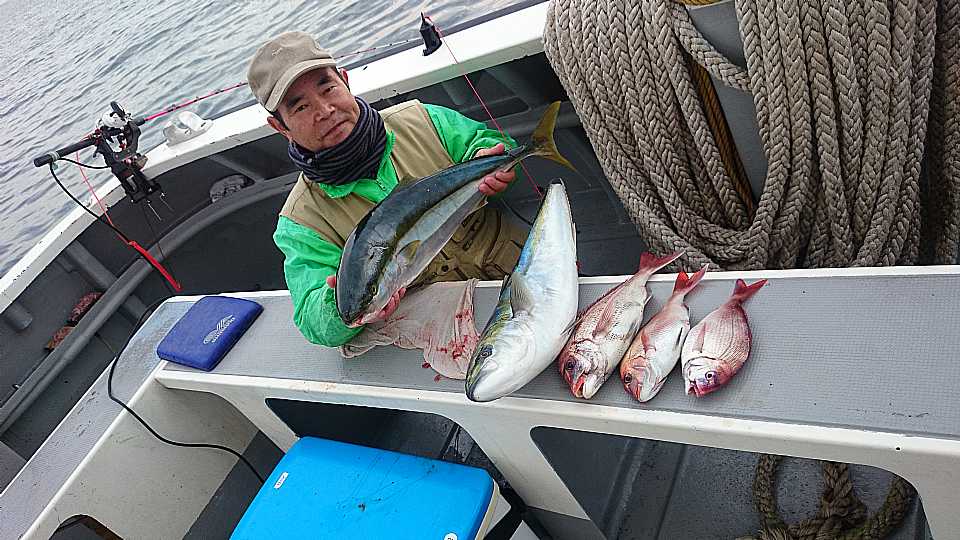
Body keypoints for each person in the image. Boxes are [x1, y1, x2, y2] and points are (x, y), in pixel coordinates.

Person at [246, 31, 527, 347]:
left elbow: (484, 140)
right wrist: (336, 306)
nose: (324, 110)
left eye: (328, 88)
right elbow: (313, 318)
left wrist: (488, 155)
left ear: (345, 80)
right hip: (443, 326)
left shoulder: (421, 119)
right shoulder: (301, 222)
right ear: (280, 127)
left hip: (522, 268)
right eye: (300, 107)